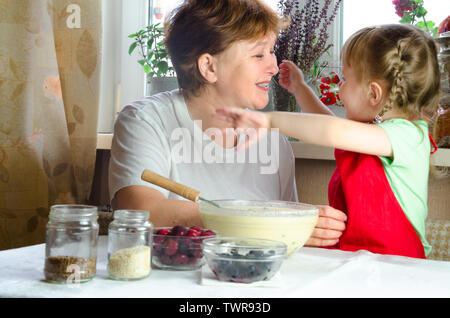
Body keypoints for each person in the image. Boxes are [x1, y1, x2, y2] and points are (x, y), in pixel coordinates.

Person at [109, 0, 347, 247]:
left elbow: (277, 240)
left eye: (272, 52)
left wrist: (296, 226)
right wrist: (263, 221)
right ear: (209, 67)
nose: (274, 68)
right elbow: (139, 210)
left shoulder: (273, 140)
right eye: (258, 55)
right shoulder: (145, 120)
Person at [214, 24, 440, 258]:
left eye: (345, 79)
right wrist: (300, 89)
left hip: (399, 265)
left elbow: (333, 130)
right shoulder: (369, 134)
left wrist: (269, 121)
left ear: (373, 94)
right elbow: (326, 123)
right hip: (356, 257)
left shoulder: (409, 135)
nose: (340, 89)